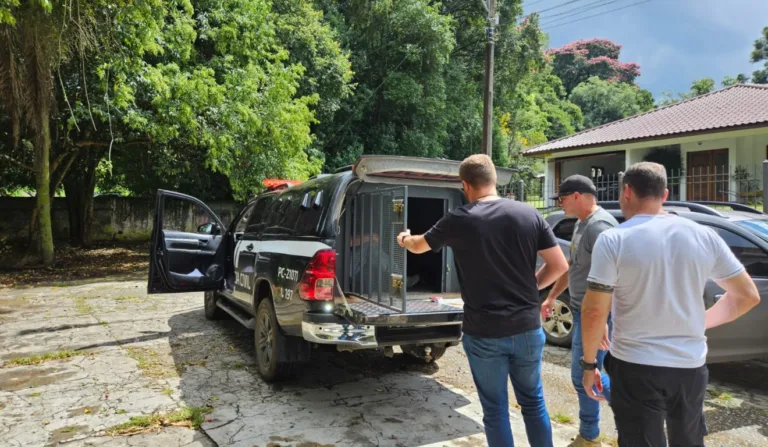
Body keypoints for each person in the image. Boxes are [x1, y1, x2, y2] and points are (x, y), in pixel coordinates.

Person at [580, 161, 761, 446]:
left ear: (626, 192)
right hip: (689, 365)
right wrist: (699, 322)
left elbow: (594, 310)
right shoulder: (703, 235)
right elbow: (747, 296)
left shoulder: (614, 239)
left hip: (635, 364)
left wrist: (589, 365)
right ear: (665, 195)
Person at [396, 154, 569, 447]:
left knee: (495, 409)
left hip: (485, 330)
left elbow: (419, 246)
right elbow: (559, 266)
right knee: (533, 401)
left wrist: (403, 238)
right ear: (495, 180)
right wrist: (531, 287)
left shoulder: (460, 219)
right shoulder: (529, 214)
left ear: (465, 185)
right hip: (527, 328)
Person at [542, 175, 618, 447]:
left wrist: (603, 319)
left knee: (585, 374)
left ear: (576, 195)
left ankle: (630, 413)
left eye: (561, 199)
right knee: (585, 375)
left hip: (595, 315)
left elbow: (614, 276)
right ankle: (591, 435)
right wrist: (551, 296)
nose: (559, 204)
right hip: (580, 311)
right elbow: (572, 266)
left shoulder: (601, 227)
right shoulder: (581, 225)